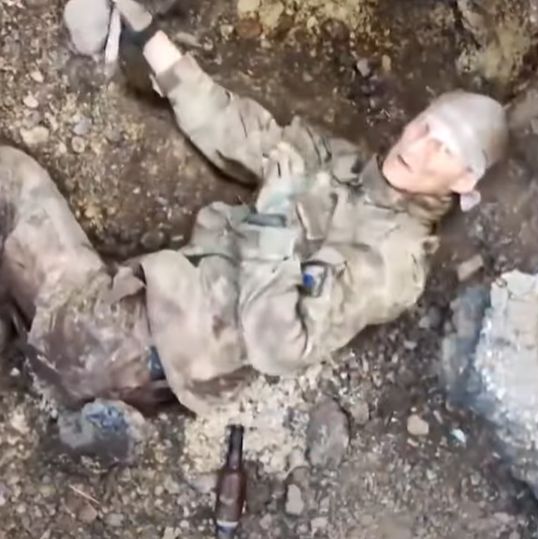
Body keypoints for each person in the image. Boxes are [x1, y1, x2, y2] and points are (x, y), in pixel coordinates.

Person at [0, 0, 508, 416]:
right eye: (426, 127)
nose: (418, 147)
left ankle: (51, 357)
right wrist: (151, 37)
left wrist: (272, 220)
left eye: (444, 149)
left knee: (12, 181)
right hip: (151, 305)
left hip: (134, 350)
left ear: (464, 180)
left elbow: (277, 346)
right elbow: (238, 131)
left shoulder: (393, 264)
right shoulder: (343, 164)